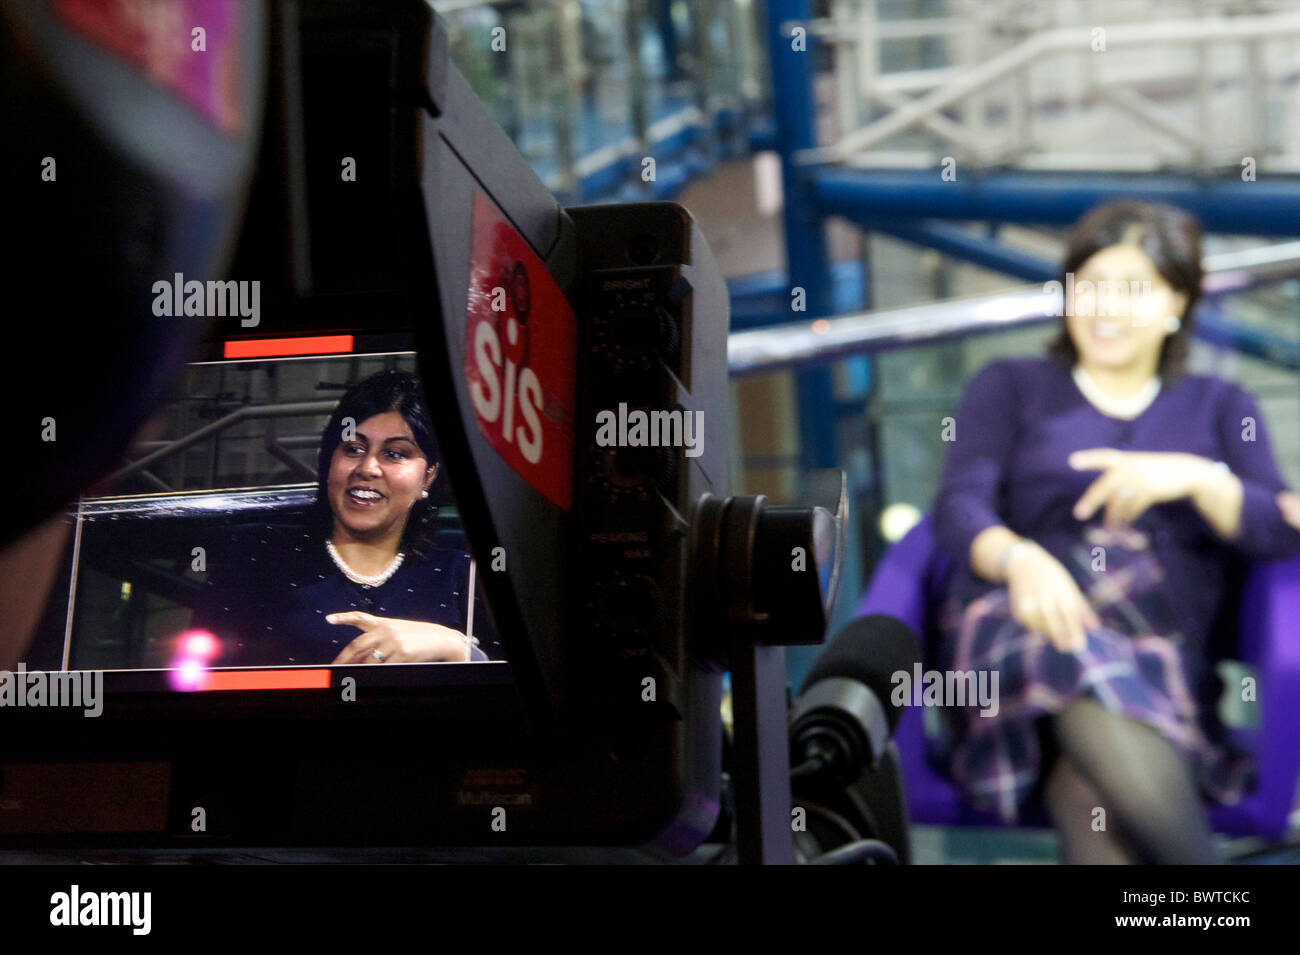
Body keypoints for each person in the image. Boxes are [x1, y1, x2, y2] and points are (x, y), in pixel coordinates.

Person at [932, 200, 1300, 864]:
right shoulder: (1009, 384)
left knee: (1087, 798)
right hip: (1022, 627)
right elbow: (960, 508)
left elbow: (1279, 527)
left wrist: (1196, 477)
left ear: (1177, 304)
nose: (1105, 306)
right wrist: (1019, 559)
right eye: (1090, 285)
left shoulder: (1221, 407)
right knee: (1068, 650)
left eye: (1132, 289)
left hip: (1157, 654)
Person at [193, 370, 486, 665]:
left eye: (395, 454)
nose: (368, 468)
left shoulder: (461, 575)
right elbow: (202, 685)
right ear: (328, 461)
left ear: (429, 476)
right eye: (353, 449)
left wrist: (456, 647)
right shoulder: (254, 555)